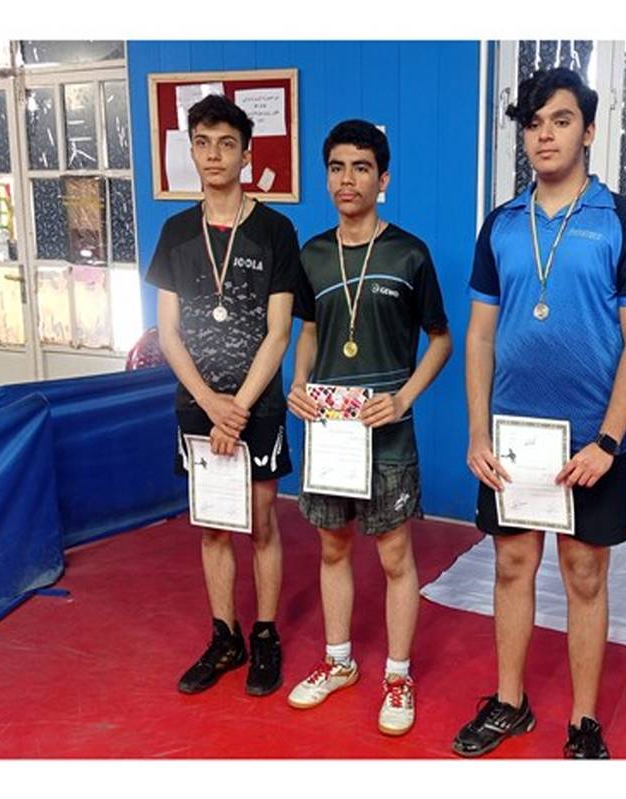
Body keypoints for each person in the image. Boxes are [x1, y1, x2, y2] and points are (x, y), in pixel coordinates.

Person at [452, 68, 626, 759]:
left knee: (584, 574)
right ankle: (509, 703)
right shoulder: (501, 224)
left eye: (561, 120)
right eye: (534, 123)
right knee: (512, 565)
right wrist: (478, 431)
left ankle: (583, 719)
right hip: (514, 437)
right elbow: (480, 336)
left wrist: (608, 439)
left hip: (589, 441)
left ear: (589, 131)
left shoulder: (622, 222)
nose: (545, 135)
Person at [286, 120, 452, 737]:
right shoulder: (312, 254)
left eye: (360, 168)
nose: (347, 180)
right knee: (332, 547)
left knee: (394, 554)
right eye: (336, 168)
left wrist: (403, 398)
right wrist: (298, 382)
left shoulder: (410, 253)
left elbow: (441, 340)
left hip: (386, 433)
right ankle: (339, 662)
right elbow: (309, 332)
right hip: (329, 430)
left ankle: (398, 675)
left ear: (383, 179)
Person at [145, 94, 301, 699]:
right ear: (191, 151)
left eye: (226, 144)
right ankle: (224, 635)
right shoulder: (175, 232)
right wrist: (211, 403)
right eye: (203, 144)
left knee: (261, 521)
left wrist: (237, 408)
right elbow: (168, 332)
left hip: (257, 405)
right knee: (213, 525)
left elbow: (279, 332)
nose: (214, 155)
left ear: (246, 154)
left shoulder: (275, 230)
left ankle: (264, 634)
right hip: (197, 405)